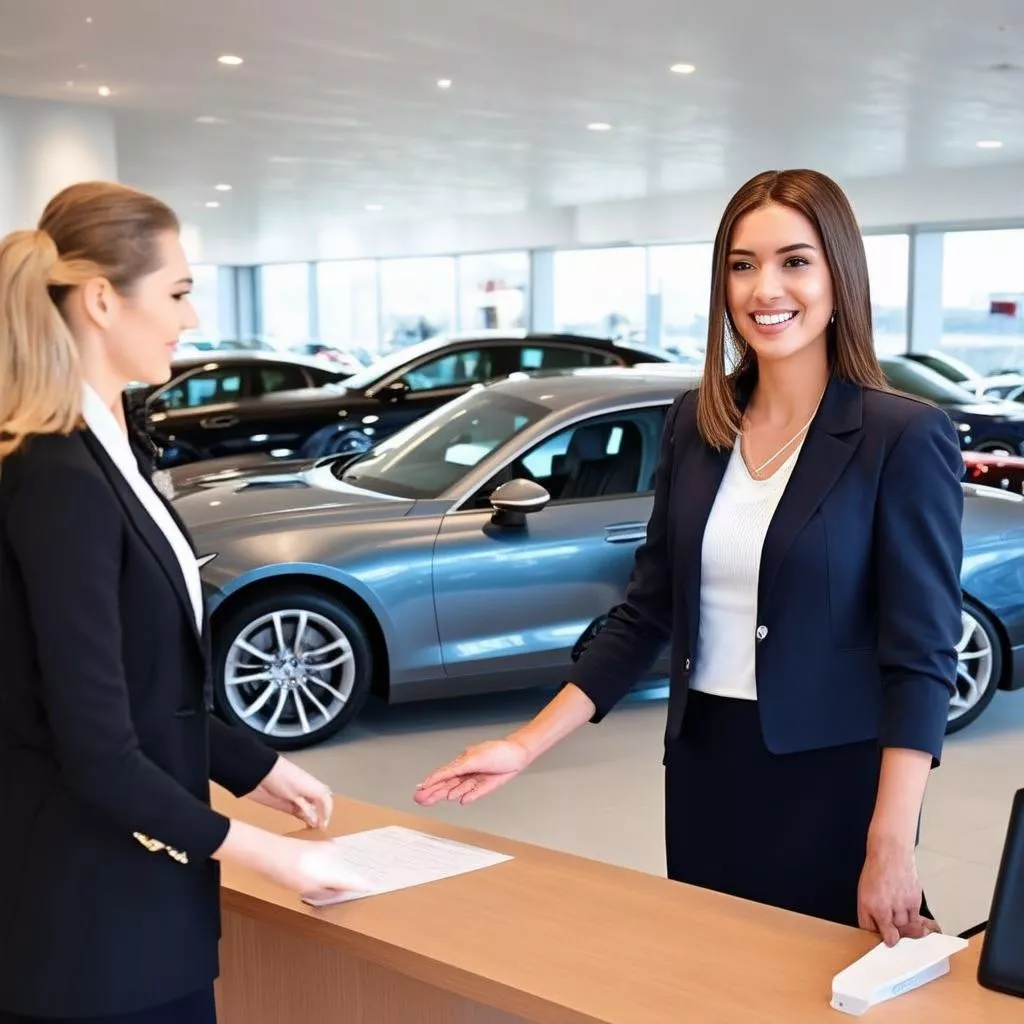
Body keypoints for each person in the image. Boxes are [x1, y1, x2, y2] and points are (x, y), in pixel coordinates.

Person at [416, 168, 964, 947]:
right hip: (708, 768)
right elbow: (648, 611)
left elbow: (921, 660)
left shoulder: (899, 436)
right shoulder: (696, 424)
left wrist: (891, 843)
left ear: (840, 274)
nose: (764, 288)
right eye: (742, 265)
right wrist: (523, 742)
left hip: (834, 782)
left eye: (794, 261)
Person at [0, 182, 363, 1023]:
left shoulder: (110, 447)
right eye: (178, 292)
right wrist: (272, 858)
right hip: (89, 926)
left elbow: (144, 679)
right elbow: (94, 745)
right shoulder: (55, 473)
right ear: (100, 300)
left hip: (131, 912)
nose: (191, 319)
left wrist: (254, 766)